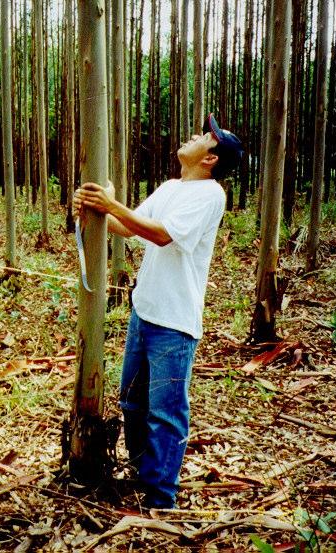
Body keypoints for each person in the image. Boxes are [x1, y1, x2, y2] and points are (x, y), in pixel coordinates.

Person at [73, 113, 244, 509]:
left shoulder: (210, 196)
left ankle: (160, 497)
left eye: (205, 137)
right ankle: (141, 473)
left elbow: (163, 235)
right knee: (132, 403)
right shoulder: (170, 187)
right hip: (144, 312)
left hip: (175, 323)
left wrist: (112, 203)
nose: (194, 135)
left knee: (165, 413)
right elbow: (131, 227)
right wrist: (94, 210)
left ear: (211, 159)